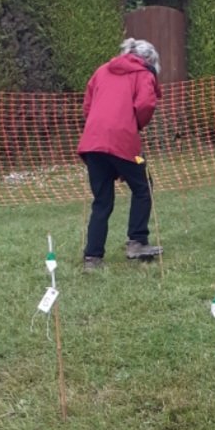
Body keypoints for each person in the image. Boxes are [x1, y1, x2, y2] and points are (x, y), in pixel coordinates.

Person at [77, 37, 164, 271]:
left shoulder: (102, 70)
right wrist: (135, 125)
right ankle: (137, 241)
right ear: (149, 60)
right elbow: (146, 105)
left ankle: (92, 258)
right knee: (144, 186)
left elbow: (87, 105)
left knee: (102, 201)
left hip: (93, 143)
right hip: (124, 141)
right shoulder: (144, 73)